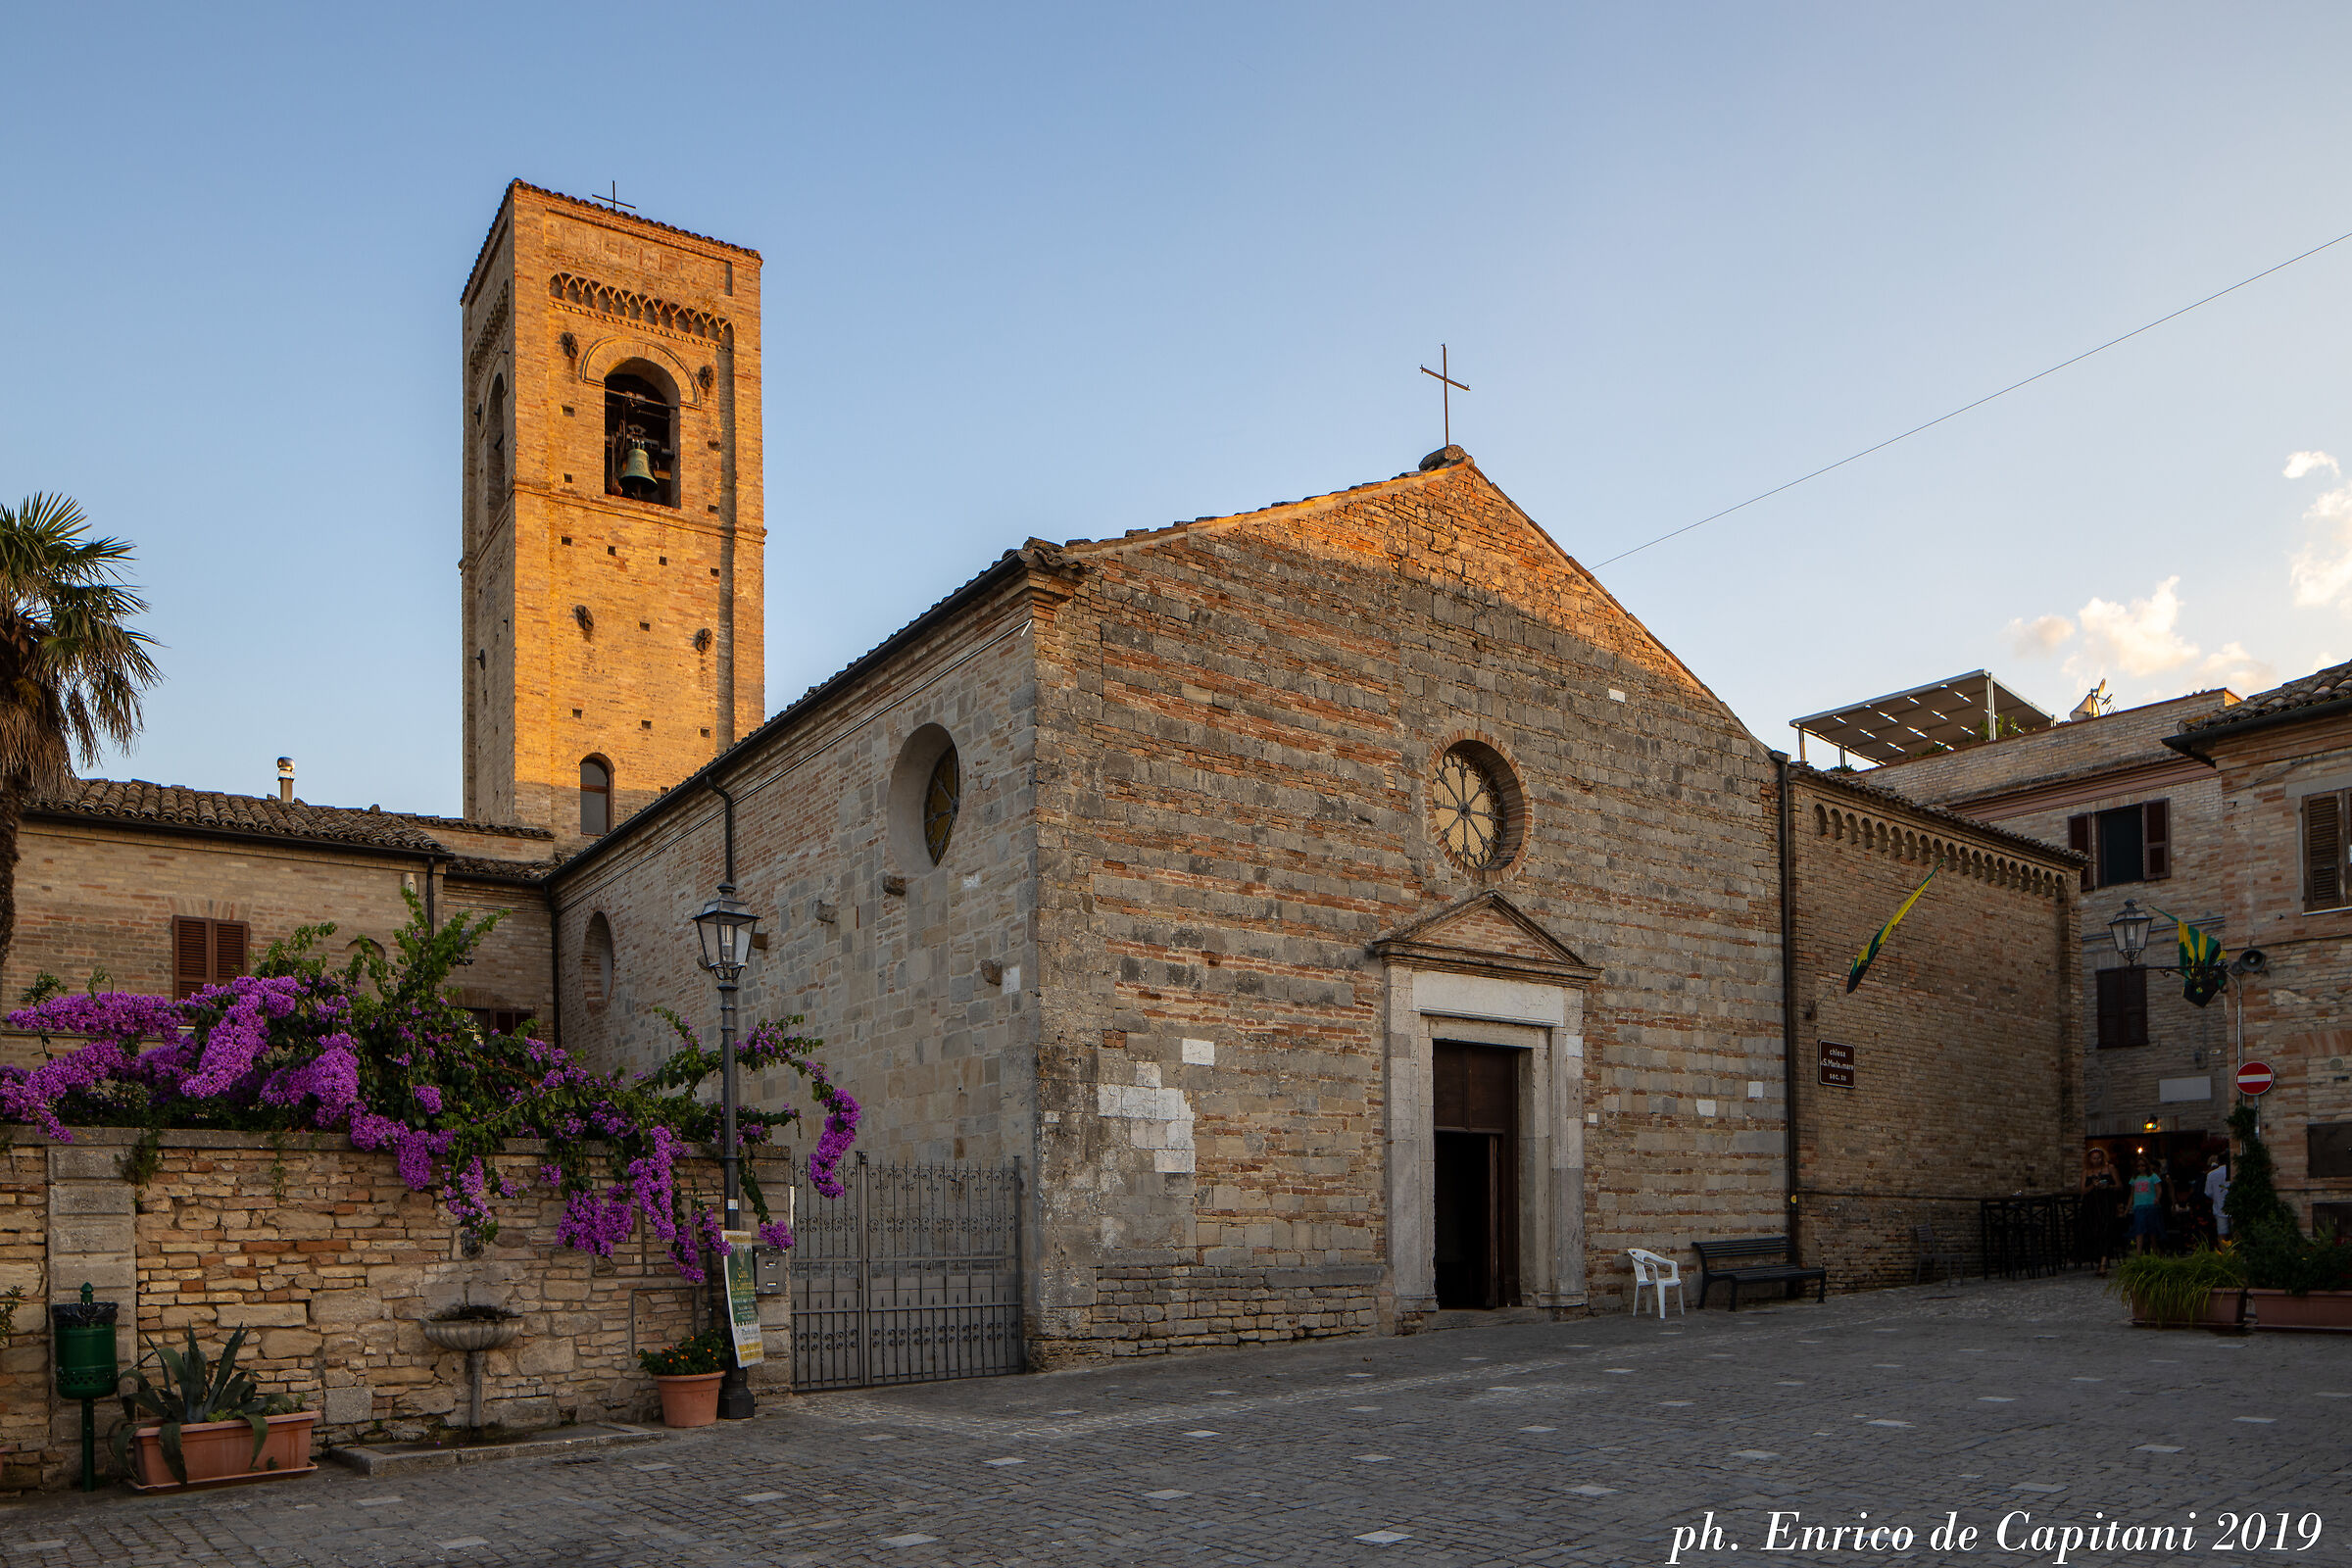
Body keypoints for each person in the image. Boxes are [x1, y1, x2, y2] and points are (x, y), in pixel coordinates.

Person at [2082, 1147, 2123, 1276]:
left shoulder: (2110, 1168)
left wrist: (2108, 1186)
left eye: (2099, 1158)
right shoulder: (2086, 1172)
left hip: (2106, 1203)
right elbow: (2082, 1190)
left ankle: (2103, 1263)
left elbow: (2119, 1185)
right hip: (2092, 1206)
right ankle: (2098, 1258)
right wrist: (2092, 1185)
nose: (2097, 1160)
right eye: (2094, 1158)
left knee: (2106, 1230)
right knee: (2095, 1232)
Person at [2127, 1155, 2169, 1255]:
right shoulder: (2134, 1178)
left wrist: (2157, 1198)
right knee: (2139, 1229)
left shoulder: (2153, 1176)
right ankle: (2139, 1252)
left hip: (2151, 1205)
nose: (2141, 1168)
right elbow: (2132, 1194)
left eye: (2143, 1165)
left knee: (2152, 1230)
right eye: (2138, 1166)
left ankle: (2154, 1250)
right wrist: (2128, 1207)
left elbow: (2159, 1189)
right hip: (2139, 1206)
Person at [2206, 1154, 2231, 1242]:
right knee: (2236, 1233)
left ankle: (2224, 1250)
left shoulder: (2211, 1174)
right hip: (2234, 1207)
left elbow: (2208, 1192)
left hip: (2219, 1208)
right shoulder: (2234, 1172)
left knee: (2222, 1235)